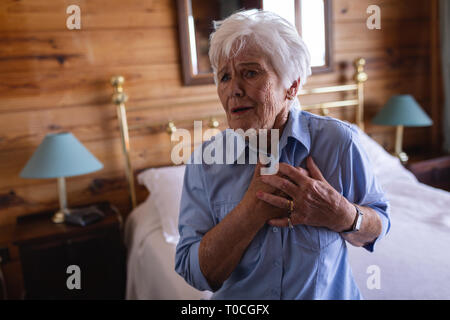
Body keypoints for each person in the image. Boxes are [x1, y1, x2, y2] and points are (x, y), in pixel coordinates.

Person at [175, 10, 390, 299]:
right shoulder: (205, 163)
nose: (233, 90)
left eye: (250, 72)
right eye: (224, 77)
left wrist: (344, 215)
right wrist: (252, 209)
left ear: (292, 86)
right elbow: (194, 273)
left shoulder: (338, 142)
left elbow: (377, 228)